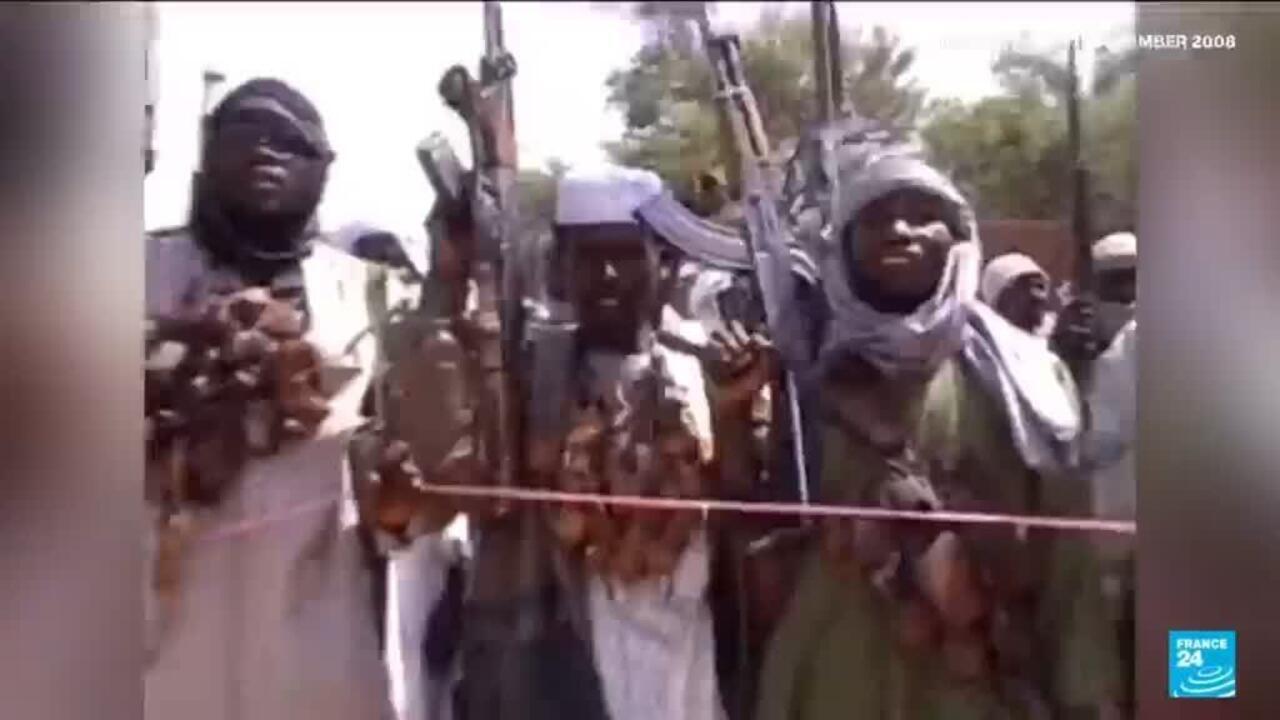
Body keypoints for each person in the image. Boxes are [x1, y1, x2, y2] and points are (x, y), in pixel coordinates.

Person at [755, 138, 1120, 720]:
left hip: (971, 679)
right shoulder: (803, 370)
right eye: (875, 217)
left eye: (924, 216)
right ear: (843, 244)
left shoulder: (1025, 374)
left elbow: (1064, 552)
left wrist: (1084, 693)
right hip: (833, 678)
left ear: (960, 241)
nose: (899, 231)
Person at [143, 78, 396, 720]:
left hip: (315, 637)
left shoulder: (376, 297)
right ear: (206, 153)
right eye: (244, 133)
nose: (264, 150)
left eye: (289, 140)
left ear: (324, 168)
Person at [981, 252, 1052, 337]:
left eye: (1042, 287)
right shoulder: (982, 341)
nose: (1042, 297)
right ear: (1004, 298)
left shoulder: (1049, 340)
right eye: (1035, 286)